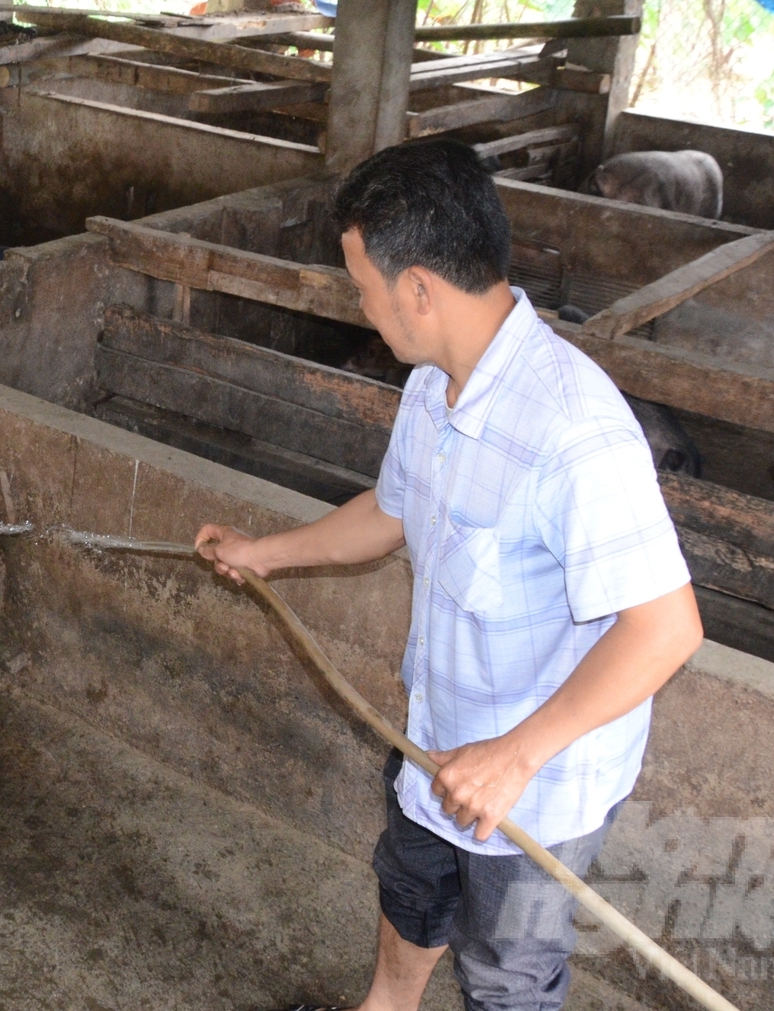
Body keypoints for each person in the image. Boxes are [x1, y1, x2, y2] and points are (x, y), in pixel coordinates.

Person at [194, 139, 703, 1011]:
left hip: (535, 789)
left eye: (363, 287)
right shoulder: (435, 382)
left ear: (419, 289)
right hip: (436, 742)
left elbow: (667, 629)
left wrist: (514, 756)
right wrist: (264, 551)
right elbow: (392, 512)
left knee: (507, 974)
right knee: (411, 892)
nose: (362, 306)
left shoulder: (575, 432)